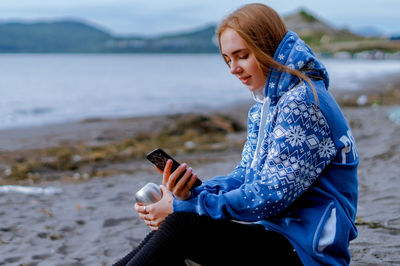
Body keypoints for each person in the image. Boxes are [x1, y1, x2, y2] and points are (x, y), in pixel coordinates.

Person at [114, 3, 358, 266]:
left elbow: (269, 196)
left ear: (268, 47)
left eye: (242, 55)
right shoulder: (266, 107)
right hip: (277, 236)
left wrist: (182, 208)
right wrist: (191, 194)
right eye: (228, 59)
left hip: (308, 252)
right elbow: (245, 177)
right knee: (174, 228)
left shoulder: (304, 103)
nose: (233, 68)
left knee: (181, 225)